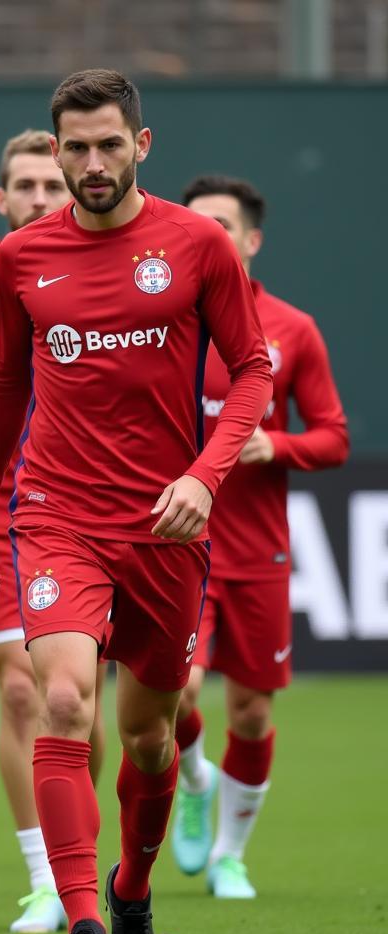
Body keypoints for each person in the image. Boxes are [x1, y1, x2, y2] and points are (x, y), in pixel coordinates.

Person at [0, 69, 273, 934]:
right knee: (62, 701)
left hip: (165, 524)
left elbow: (251, 371)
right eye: (74, 147)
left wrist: (202, 476)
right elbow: (7, 386)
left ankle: (130, 892)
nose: (91, 163)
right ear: (54, 151)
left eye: (108, 145)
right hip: (55, 515)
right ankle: (85, 922)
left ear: (142, 145)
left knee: (148, 740)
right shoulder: (25, 256)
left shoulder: (196, 246)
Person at [0, 129, 107, 934]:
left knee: (91, 701)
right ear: (0, 198)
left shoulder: (112, 265)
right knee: (22, 687)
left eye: (50, 182)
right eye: (24, 186)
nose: (40, 197)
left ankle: (87, 848)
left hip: (98, 506)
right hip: (0, 505)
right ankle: (46, 878)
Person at [170, 175, 349, 897]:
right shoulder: (166, 323)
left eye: (222, 226)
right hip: (178, 546)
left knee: (250, 710)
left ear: (250, 240)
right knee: (177, 696)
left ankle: (230, 855)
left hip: (257, 554)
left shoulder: (292, 329)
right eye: (197, 226)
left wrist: (276, 447)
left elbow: (334, 437)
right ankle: (191, 780)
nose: (210, 237)